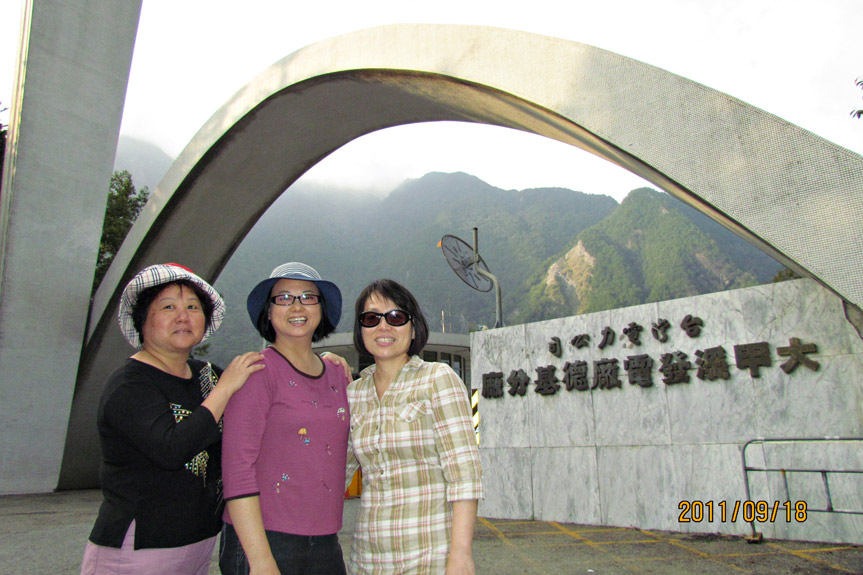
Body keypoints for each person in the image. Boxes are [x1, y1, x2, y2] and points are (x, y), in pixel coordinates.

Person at [81, 263, 266, 575]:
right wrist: (224, 390)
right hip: (140, 546)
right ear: (143, 319)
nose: (183, 317)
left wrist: (323, 362)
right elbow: (171, 449)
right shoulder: (129, 384)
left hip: (199, 542)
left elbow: (264, 400)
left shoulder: (208, 375)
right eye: (168, 307)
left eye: (193, 307)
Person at [220, 262, 351, 575]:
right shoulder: (256, 373)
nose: (297, 306)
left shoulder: (338, 374)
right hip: (265, 538)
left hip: (325, 540)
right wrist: (260, 561)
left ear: (321, 309)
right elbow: (237, 468)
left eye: (308, 297)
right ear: (268, 312)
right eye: (283, 298)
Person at [346, 279, 483, 575]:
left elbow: (464, 474)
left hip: (430, 557)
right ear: (361, 329)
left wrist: (461, 554)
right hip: (368, 560)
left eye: (396, 317)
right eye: (371, 318)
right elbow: (334, 473)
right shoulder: (353, 394)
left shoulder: (437, 379)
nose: (383, 327)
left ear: (413, 327)